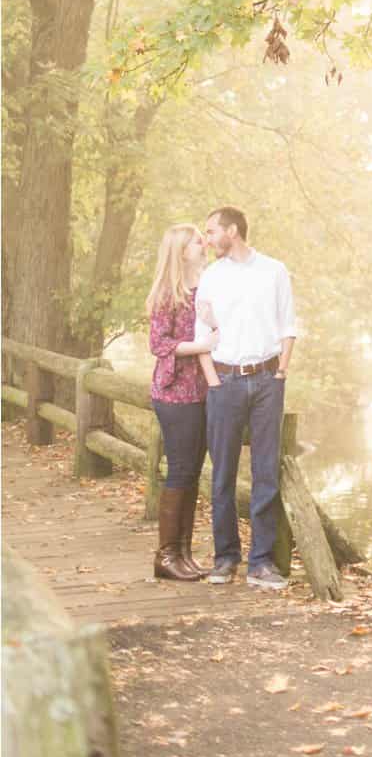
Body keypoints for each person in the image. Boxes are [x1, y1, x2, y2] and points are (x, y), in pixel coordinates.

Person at [194, 206, 297, 591]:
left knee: (266, 473)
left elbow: (288, 325)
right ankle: (225, 559)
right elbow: (201, 333)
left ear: (232, 231)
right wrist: (213, 382)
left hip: (268, 379)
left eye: (211, 231)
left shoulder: (274, 270)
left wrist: (281, 372)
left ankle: (262, 563)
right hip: (225, 381)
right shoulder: (211, 277)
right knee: (222, 474)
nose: (206, 239)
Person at [146, 223, 220, 581]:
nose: (202, 243)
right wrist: (203, 346)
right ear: (180, 250)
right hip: (175, 393)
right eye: (195, 240)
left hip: (202, 391)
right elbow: (159, 344)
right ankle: (165, 556)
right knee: (180, 469)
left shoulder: (205, 286)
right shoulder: (167, 293)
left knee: (192, 471)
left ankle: (184, 554)